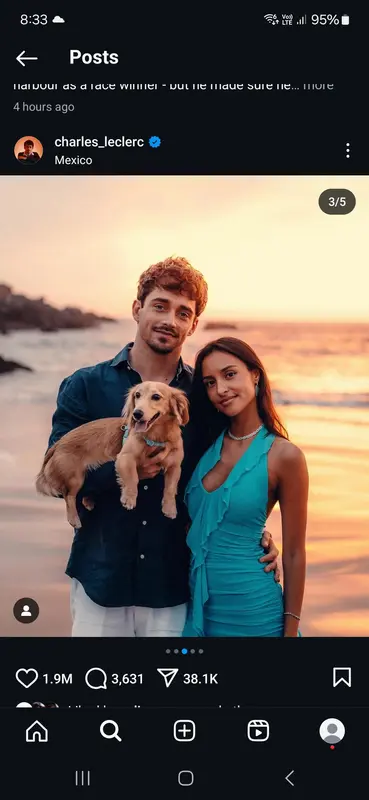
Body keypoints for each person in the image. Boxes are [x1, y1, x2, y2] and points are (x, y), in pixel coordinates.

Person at [46, 257, 279, 636]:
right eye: (160, 306)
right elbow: (56, 475)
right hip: (100, 576)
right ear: (137, 309)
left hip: (172, 584)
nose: (170, 319)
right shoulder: (85, 386)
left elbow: (229, 474)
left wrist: (254, 534)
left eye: (182, 312)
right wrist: (124, 471)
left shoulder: (203, 399)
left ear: (193, 325)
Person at [183, 337, 308, 637]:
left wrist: (290, 633)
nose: (220, 390)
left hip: (253, 612)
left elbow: (294, 553)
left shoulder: (285, 456)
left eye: (229, 374)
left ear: (255, 374)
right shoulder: (202, 445)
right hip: (197, 607)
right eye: (210, 383)